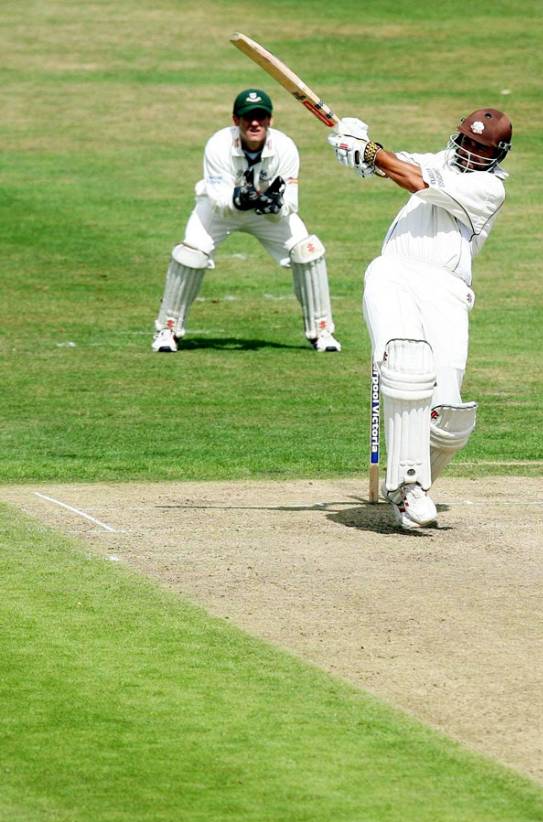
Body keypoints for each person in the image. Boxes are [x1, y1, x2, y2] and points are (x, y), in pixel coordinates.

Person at [326, 108, 512, 530]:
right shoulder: (439, 160)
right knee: (408, 366)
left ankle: (410, 485)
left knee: (451, 416)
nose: (469, 150)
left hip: (447, 289)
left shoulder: (489, 188)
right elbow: (393, 165)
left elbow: (416, 182)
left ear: (497, 155)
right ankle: (409, 489)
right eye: (465, 140)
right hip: (394, 271)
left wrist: (373, 152)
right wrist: (353, 145)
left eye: (481, 147)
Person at [151, 88, 340, 353]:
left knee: (307, 251)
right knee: (191, 253)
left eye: (260, 117)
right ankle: (167, 329)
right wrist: (241, 198)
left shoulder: (285, 147)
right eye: (248, 117)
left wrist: (274, 204)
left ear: (269, 120)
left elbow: (292, 201)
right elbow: (217, 198)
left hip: (266, 216)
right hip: (219, 213)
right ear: (235, 120)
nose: (254, 123)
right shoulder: (218, 145)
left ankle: (322, 332)